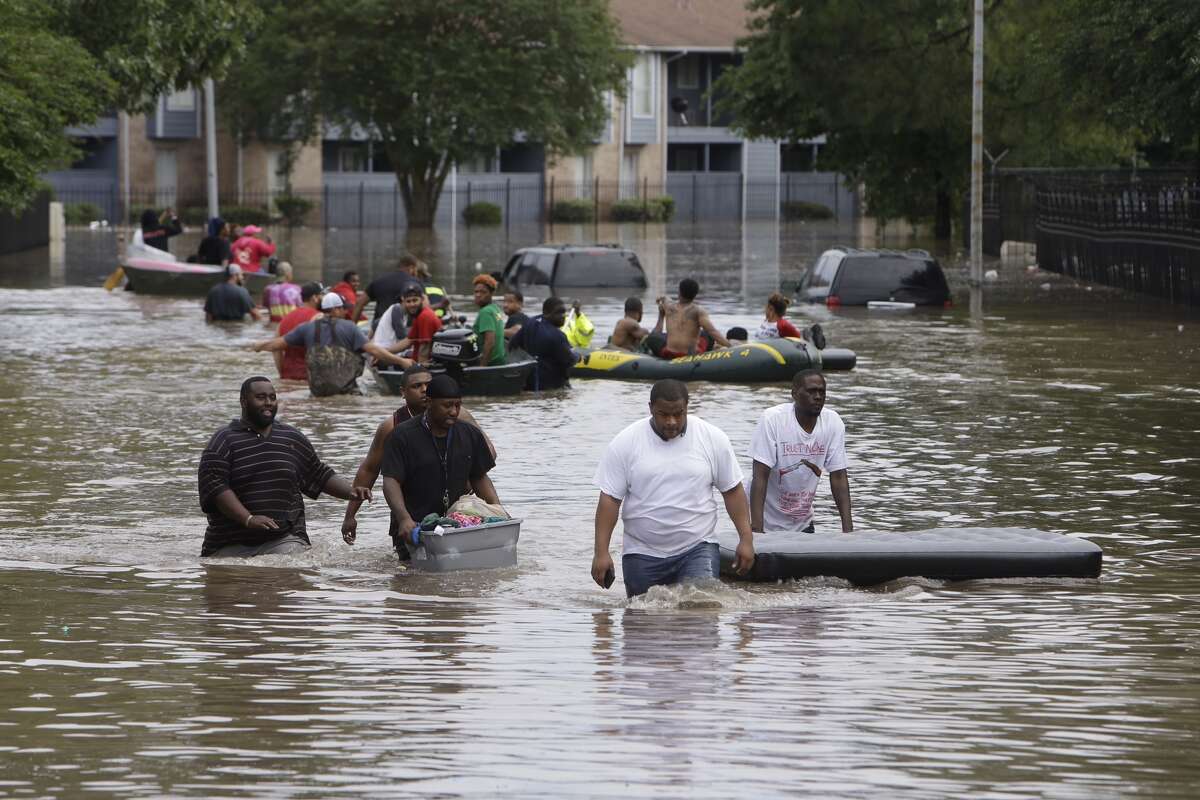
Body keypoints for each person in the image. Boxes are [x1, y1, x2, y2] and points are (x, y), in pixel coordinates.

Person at [591, 379, 755, 597]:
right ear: (650, 408)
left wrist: (746, 539)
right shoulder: (626, 442)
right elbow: (610, 500)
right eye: (663, 414)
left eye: (678, 414)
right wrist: (601, 552)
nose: (671, 421)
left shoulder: (712, 438)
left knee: (701, 610)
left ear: (687, 407)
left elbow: (732, 491)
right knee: (642, 621)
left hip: (697, 548)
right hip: (641, 554)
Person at [197, 376, 372, 557]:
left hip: (283, 539)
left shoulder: (291, 438)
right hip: (228, 543)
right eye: (260, 397)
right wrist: (248, 519)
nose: (268, 403)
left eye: (272, 397)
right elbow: (216, 489)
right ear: (243, 401)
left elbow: (318, 473)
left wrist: (351, 491)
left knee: (291, 573)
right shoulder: (223, 441)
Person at [341, 365, 494, 547]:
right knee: (411, 573)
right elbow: (370, 471)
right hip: (412, 519)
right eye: (417, 386)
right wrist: (350, 515)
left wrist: (496, 511)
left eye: (428, 384)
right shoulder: (394, 428)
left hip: (457, 514)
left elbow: (485, 459)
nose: (423, 390)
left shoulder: (461, 419)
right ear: (403, 392)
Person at [380, 374, 500, 555]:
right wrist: (404, 518)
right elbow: (390, 482)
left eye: (457, 405)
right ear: (429, 402)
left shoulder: (469, 434)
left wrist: (498, 512)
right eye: (447, 405)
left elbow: (479, 477)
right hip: (413, 528)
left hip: (456, 525)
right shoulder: (402, 436)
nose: (453, 411)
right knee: (411, 580)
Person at [749, 369, 852, 534]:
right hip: (764, 522)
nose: (817, 396)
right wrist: (757, 532)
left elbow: (839, 477)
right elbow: (760, 477)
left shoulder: (833, 422)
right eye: (811, 391)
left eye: (821, 392)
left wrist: (849, 533)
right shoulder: (773, 419)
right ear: (794, 394)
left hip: (802, 524)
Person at [252, 293, 409, 395]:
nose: (345, 312)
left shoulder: (306, 328)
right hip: (346, 393)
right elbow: (375, 351)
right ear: (335, 310)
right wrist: (402, 361)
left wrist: (258, 346)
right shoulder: (350, 328)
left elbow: (276, 345)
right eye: (342, 309)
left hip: (318, 393)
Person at [510, 296, 576, 390]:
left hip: (528, 383)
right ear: (546, 313)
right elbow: (569, 361)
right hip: (549, 386)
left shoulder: (530, 323)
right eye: (558, 312)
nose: (563, 316)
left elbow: (513, 344)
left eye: (564, 312)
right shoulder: (557, 336)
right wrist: (577, 356)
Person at [651, 278, 729, 358]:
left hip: (669, 354)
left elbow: (666, 300)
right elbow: (713, 332)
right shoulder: (698, 311)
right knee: (707, 335)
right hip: (689, 355)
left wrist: (662, 298)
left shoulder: (668, 307)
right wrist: (731, 346)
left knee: (654, 338)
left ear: (679, 292)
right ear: (695, 294)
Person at [372, 284, 442, 362]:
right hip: (413, 360)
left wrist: (419, 370)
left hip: (423, 364)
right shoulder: (418, 316)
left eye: (415, 300)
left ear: (422, 299)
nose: (412, 304)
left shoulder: (424, 316)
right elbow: (408, 341)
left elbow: (424, 351)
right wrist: (383, 353)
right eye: (408, 301)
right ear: (403, 301)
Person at [355, 253, 425, 332]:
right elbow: (426, 306)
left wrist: (352, 329)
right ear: (411, 268)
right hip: (405, 331)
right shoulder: (415, 283)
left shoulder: (379, 281)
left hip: (380, 329)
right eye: (416, 270)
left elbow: (359, 303)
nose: (416, 273)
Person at [274, 282, 324, 380]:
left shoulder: (284, 319)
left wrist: (282, 373)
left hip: (287, 379)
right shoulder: (319, 317)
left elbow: (275, 349)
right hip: (308, 379)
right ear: (314, 298)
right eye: (321, 296)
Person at [755, 292, 826, 347]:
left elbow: (799, 339)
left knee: (804, 337)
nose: (764, 309)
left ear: (771, 308)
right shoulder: (766, 321)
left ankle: (814, 335)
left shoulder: (782, 325)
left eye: (766, 307)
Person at [472, 273, 507, 366]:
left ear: (491, 293)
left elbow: (490, 342)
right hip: (500, 360)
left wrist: (482, 367)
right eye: (476, 292)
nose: (478, 295)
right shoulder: (496, 309)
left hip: (491, 363)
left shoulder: (485, 312)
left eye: (483, 292)